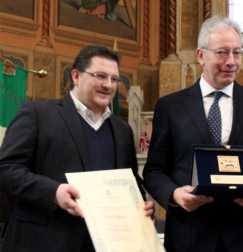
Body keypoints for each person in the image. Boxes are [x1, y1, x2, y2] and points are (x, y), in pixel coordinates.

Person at [143, 16, 243, 252]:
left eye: (237, 53)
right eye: (222, 52)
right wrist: (174, 195)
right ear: (201, 56)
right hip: (189, 237)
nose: (231, 62)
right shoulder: (170, 106)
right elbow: (154, 170)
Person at [0, 45, 154, 252]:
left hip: (105, 245)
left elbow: (131, 182)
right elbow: (6, 169)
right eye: (100, 76)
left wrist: (142, 207)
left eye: (114, 79)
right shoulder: (38, 114)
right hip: (43, 242)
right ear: (76, 76)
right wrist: (53, 192)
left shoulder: (123, 131)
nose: (108, 85)